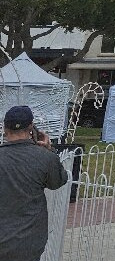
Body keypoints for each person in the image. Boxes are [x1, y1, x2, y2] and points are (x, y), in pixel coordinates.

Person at [0, 105, 69, 261]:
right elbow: (58, 181)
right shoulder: (45, 157)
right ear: (31, 127)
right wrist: (49, 150)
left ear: (5, 128)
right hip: (28, 243)